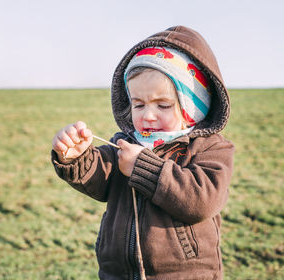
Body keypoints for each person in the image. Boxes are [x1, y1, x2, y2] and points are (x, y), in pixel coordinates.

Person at [51, 25, 234, 280]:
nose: (148, 115)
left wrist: (142, 167)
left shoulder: (210, 148)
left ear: (193, 107)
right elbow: (101, 178)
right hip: (119, 273)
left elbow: (201, 201)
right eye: (138, 104)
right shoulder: (125, 142)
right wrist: (76, 157)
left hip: (185, 274)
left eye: (163, 105)